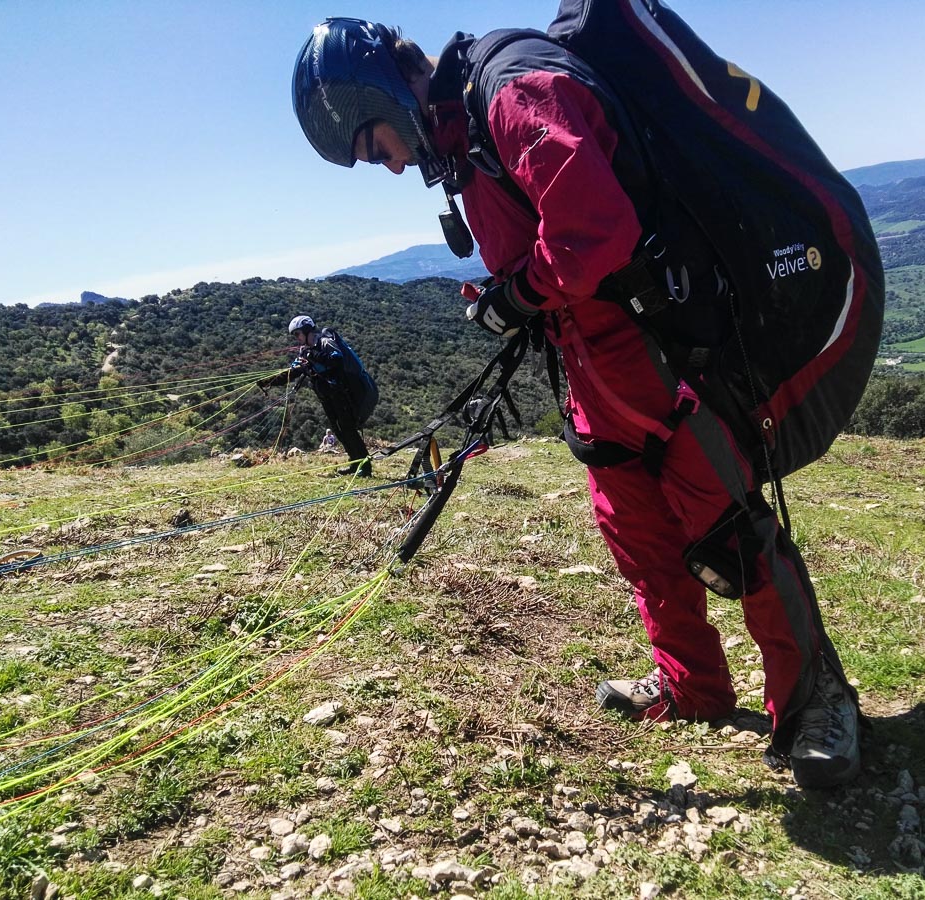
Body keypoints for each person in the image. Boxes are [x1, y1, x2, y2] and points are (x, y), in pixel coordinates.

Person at [289, 18, 860, 787]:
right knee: (639, 538)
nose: (390, 165)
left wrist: (518, 296)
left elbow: (595, 230)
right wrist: (510, 297)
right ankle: (693, 686)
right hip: (593, 370)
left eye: (376, 144)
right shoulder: (462, 136)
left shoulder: (513, 91)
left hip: (661, 357)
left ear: (383, 93)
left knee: (729, 530)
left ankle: (818, 701)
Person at [265, 315, 372, 477]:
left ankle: (365, 467)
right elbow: (294, 372)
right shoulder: (305, 351)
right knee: (338, 430)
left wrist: (311, 355)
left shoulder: (324, 342)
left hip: (341, 394)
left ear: (307, 330)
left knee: (348, 429)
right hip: (326, 397)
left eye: (298, 333)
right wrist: (269, 381)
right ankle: (354, 462)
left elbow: (336, 359)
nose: (297, 338)